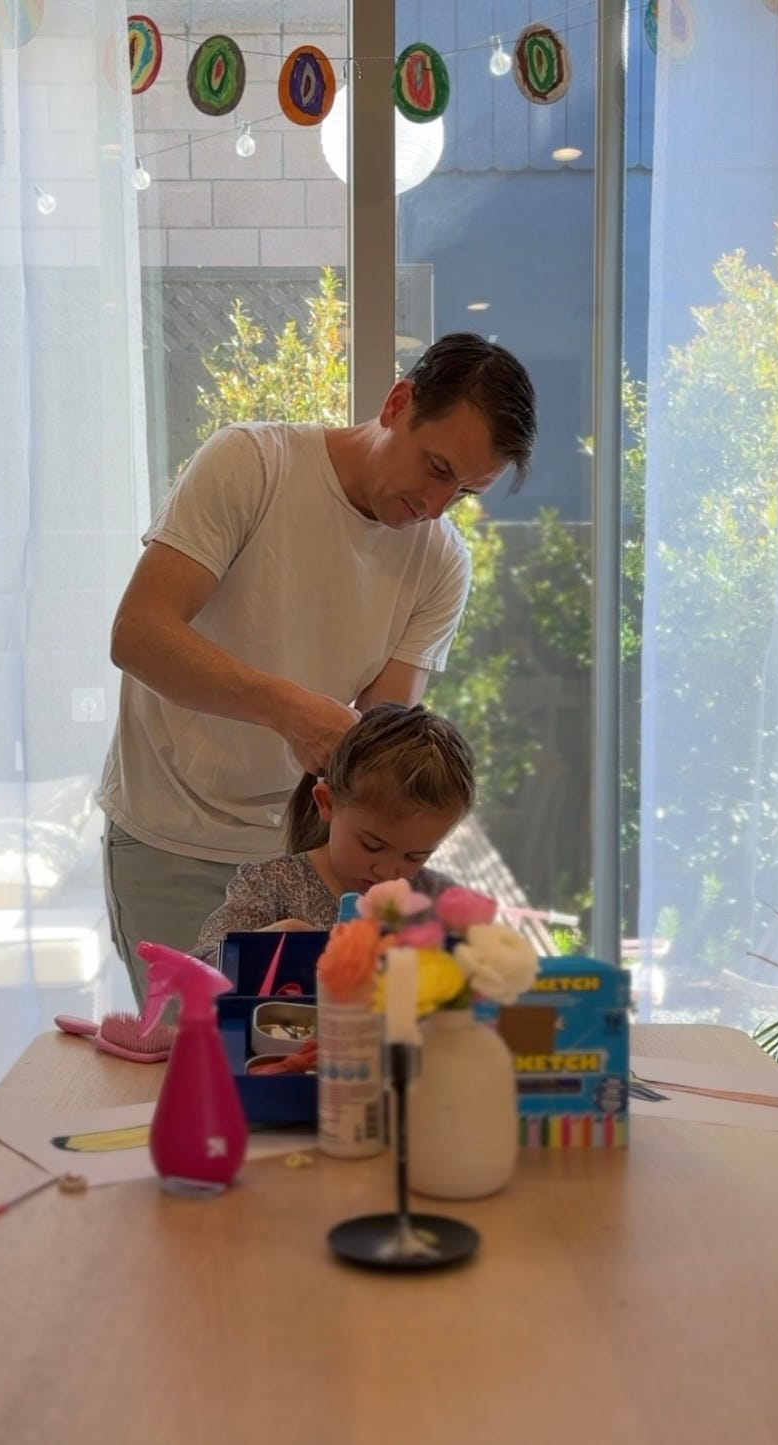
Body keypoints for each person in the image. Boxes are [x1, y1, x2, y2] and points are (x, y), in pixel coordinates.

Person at [99, 331, 536, 1000]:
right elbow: (139, 634)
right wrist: (286, 708)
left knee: (312, 1072)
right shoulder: (253, 463)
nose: (437, 504)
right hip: (171, 837)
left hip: (314, 859)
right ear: (397, 403)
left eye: (464, 492)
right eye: (438, 467)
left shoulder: (441, 562)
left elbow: (379, 741)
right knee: (192, 1067)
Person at [191, 703, 475, 965]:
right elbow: (190, 977)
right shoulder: (270, 887)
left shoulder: (434, 898)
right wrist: (261, 947)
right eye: (372, 845)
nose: (388, 871)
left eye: (416, 856)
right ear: (327, 802)